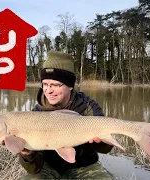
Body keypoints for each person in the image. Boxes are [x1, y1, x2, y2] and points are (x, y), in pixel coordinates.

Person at [18, 50, 114, 179]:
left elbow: (106, 148)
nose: (49, 90)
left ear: (70, 86)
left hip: (85, 166)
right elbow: (35, 168)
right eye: (45, 84)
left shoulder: (88, 105)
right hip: (50, 167)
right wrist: (27, 154)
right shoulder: (37, 113)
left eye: (56, 85)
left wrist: (98, 141)